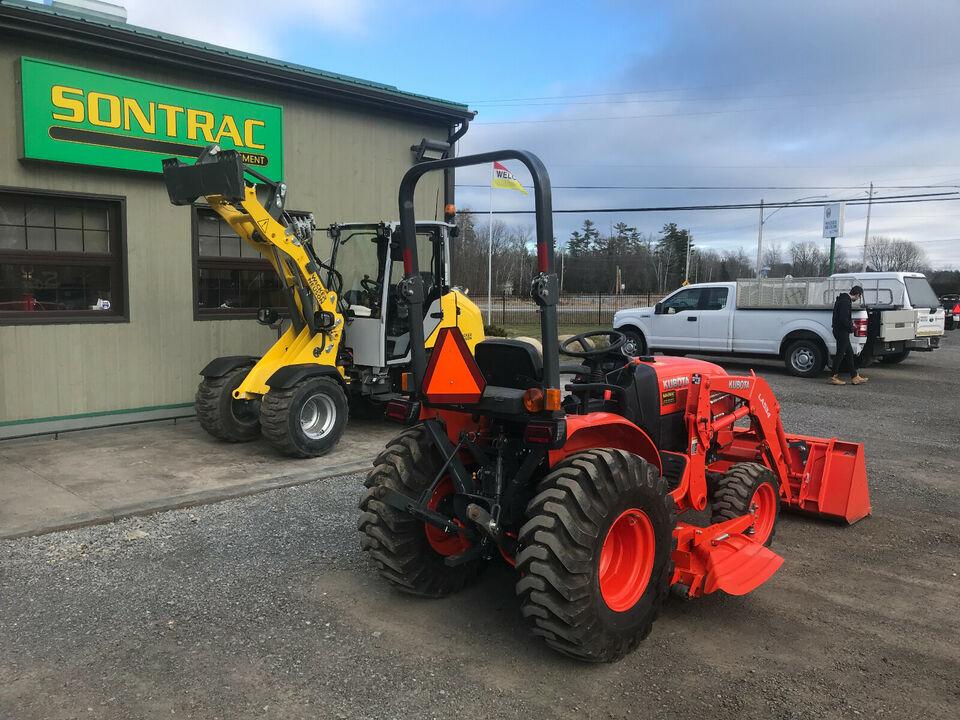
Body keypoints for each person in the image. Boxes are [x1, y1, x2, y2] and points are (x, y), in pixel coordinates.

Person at [829, 285, 868, 385]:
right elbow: (843, 318)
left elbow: (843, 318)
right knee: (840, 354)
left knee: (849, 353)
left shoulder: (843, 299)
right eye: (859, 297)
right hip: (842, 331)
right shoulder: (845, 302)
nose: (858, 299)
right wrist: (852, 327)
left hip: (840, 331)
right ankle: (834, 377)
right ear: (857, 294)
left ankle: (854, 376)